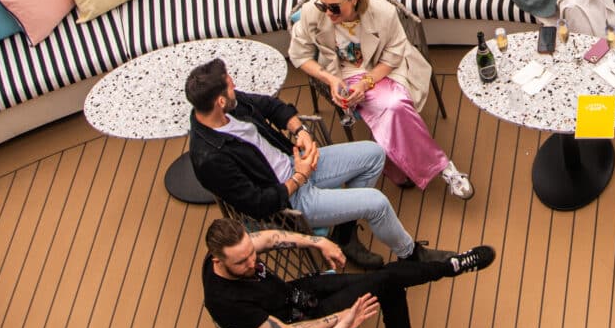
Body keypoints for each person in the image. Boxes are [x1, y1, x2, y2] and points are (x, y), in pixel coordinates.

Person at [185, 58, 444, 269]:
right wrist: (298, 177)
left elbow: (272, 106)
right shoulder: (209, 158)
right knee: (377, 203)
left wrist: (301, 132)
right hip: (290, 198)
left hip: (295, 162)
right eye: (230, 86)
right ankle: (410, 255)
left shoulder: (226, 105)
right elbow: (259, 204)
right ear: (220, 101)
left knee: (374, 154)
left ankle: (344, 235)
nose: (235, 88)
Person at [202, 217, 495, 328]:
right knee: (387, 281)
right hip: (300, 327)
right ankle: (451, 267)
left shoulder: (229, 248)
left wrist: (317, 242)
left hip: (298, 293)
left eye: (251, 253)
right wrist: (344, 318)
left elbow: (268, 238)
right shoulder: (227, 301)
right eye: (242, 262)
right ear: (219, 260)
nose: (253, 262)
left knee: (386, 281)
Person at [290, 0, 472, 198]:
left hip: (379, 68)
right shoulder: (311, 13)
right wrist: (330, 79)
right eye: (322, 5)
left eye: (334, 7)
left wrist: (366, 83)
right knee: (394, 106)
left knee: (394, 105)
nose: (327, 13)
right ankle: (443, 168)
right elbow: (300, 55)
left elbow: (393, 55)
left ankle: (400, 166)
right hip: (342, 73)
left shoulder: (383, 12)